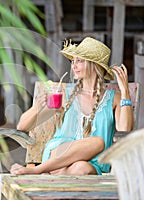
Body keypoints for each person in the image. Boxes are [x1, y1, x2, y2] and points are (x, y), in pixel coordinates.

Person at [10, 37, 134, 175]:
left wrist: (125, 92)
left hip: (92, 163)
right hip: (58, 155)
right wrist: (36, 109)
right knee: (98, 142)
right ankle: (38, 170)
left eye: (79, 61)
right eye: (73, 61)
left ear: (94, 65)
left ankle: (43, 173)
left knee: (81, 168)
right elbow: (22, 127)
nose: (73, 66)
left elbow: (125, 129)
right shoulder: (64, 95)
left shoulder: (114, 98)